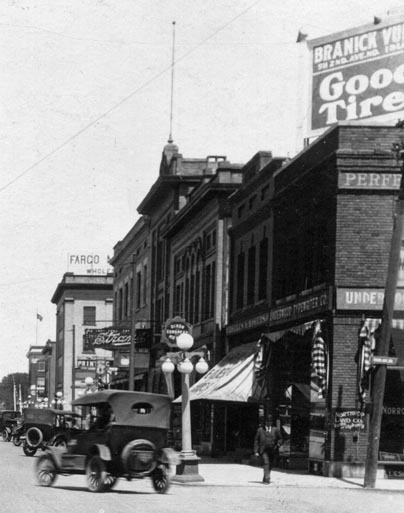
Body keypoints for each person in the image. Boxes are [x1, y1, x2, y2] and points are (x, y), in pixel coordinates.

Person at [254, 414, 283, 484]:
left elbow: (281, 439)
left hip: (272, 450)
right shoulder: (260, 430)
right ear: (265, 422)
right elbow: (256, 440)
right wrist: (256, 451)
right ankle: (267, 478)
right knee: (266, 462)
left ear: (272, 422)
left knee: (270, 464)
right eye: (267, 421)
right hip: (263, 450)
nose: (268, 423)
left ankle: (265, 477)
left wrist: (278, 444)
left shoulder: (275, 430)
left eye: (270, 421)